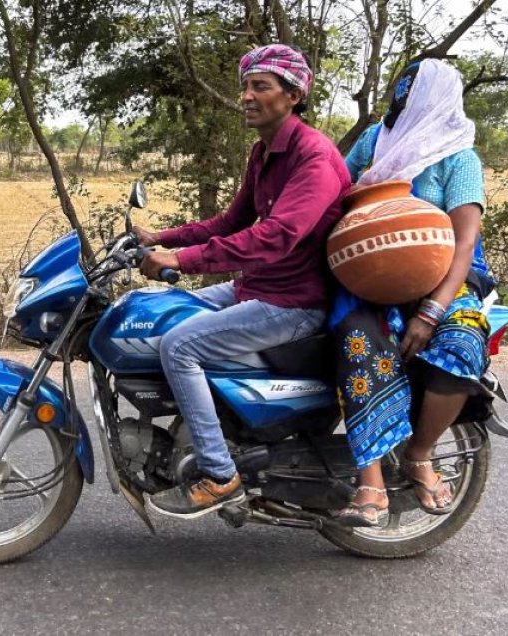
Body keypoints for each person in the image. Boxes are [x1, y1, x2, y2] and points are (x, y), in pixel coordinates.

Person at [134, 44, 351, 518]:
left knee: (179, 346)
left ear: (293, 95)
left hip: (294, 302)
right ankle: (215, 426)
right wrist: (160, 237)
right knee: (152, 310)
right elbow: (229, 223)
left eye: (261, 86)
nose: (247, 96)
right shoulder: (264, 153)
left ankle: (219, 475)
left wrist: (182, 258)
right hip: (257, 287)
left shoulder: (314, 157)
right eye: (246, 86)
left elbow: (275, 236)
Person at [333, 58, 496, 527]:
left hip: (443, 280)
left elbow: (464, 242)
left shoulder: (458, 157)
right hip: (367, 277)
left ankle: (419, 453)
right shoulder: (373, 142)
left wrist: (431, 312)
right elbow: (335, 194)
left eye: (411, 93)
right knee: (358, 341)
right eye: (400, 91)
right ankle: (370, 483)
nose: (401, 101)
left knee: (462, 343)